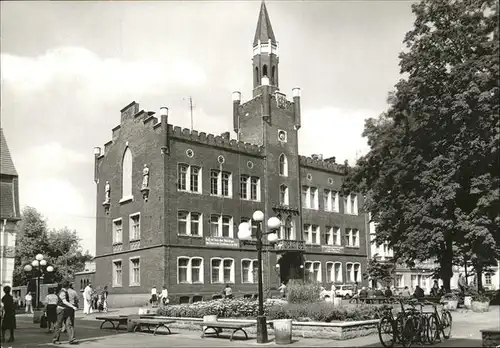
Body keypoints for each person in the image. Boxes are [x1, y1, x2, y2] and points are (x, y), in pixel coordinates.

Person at [52, 281, 77, 345]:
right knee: (59, 325)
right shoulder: (62, 292)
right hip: (61, 310)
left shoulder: (64, 291)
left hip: (65, 310)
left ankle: (72, 339)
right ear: (68, 286)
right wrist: (73, 307)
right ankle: (55, 339)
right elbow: (64, 301)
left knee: (69, 324)